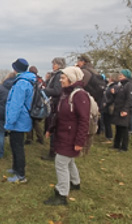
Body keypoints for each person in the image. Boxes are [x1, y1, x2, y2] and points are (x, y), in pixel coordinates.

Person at [44, 66, 90, 206]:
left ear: (71, 79)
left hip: (71, 136)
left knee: (60, 163)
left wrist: (80, 141)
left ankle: (62, 194)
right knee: (69, 161)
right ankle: (75, 183)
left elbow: (84, 120)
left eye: (63, 77)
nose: (60, 79)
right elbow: (58, 114)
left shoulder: (80, 95)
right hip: (64, 133)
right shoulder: (66, 94)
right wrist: (51, 129)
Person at [4, 58, 36, 183]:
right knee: (14, 144)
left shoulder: (21, 83)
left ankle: (20, 175)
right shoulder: (27, 81)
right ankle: (15, 168)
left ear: (15, 69)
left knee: (18, 147)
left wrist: (10, 122)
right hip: (22, 119)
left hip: (19, 121)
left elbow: (15, 105)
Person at [41, 58, 66, 161]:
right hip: (54, 103)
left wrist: (45, 90)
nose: (53, 65)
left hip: (55, 104)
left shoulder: (59, 75)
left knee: (53, 127)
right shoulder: (55, 75)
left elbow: (57, 91)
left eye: (54, 64)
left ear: (59, 65)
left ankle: (53, 152)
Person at [0, 72, 16, 159]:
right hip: (12, 112)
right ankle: (14, 152)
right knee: (13, 133)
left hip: (0, 111)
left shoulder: (0, 87)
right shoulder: (17, 87)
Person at [110, 69, 132, 151]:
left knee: (124, 129)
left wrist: (125, 110)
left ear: (126, 76)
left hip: (123, 109)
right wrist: (114, 94)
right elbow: (119, 97)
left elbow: (129, 99)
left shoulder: (129, 85)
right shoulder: (121, 85)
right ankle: (116, 145)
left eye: (122, 75)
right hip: (118, 109)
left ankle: (124, 147)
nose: (120, 76)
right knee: (118, 128)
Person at [25, 65, 45, 145]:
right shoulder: (41, 80)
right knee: (36, 122)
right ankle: (40, 138)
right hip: (38, 104)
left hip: (31, 103)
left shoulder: (30, 80)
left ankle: (29, 139)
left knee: (28, 121)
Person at [101, 73, 119, 143]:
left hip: (108, 107)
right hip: (106, 106)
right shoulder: (109, 86)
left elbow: (112, 97)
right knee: (106, 121)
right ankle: (107, 136)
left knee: (108, 122)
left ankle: (109, 137)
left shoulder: (113, 87)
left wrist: (106, 103)